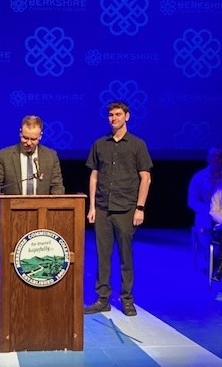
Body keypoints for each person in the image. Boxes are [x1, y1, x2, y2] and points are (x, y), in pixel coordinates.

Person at [83, 101, 152, 316]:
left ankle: (127, 299)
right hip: (103, 207)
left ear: (127, 116)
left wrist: (140, 208)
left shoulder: (137, 144)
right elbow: (94, 176)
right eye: (111, 115)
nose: (114, 118)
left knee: (125, 256)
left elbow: (146, 178)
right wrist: (92, 207)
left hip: (126, 208)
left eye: (118, 114)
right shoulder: (99, 144)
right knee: (103, 255)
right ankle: (102, 298)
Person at [0, 115, 65, 202]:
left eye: (33, 139)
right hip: (12, 208)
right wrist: (0, 204)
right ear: (20, 133)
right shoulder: (4, 156)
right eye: (25, 138)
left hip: (42, 209)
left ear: (40, 136)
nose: (29, 143)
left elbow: (57, 186)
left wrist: (55, 204)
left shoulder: (51, 156)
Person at [187, 147, 222, 270]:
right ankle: (209, 256)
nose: (217, 159)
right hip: (206, 213)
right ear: (208, 158)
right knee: (204, 220)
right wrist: (207, 209)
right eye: (214, 156)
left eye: (219, 156)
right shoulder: (199, 177)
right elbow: (192, 200)